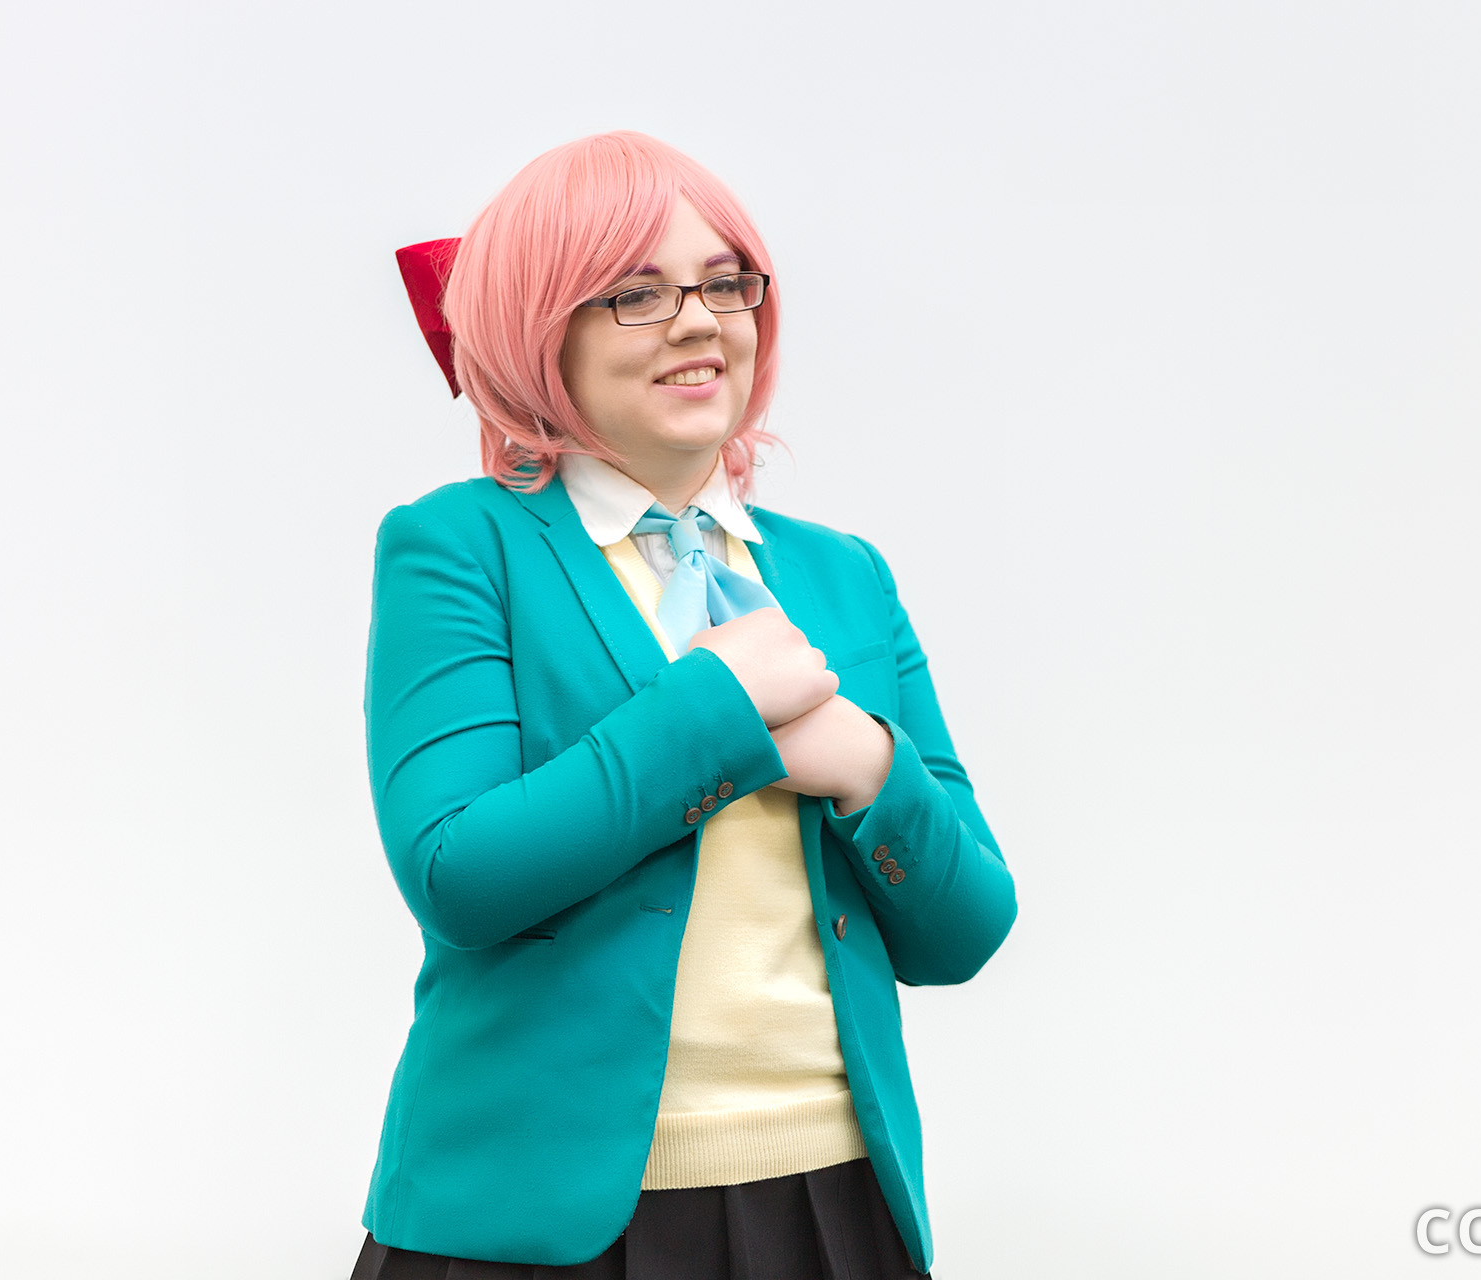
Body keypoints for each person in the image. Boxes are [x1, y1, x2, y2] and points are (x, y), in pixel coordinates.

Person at [352, 131, 1017, 1280]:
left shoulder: (844, 572)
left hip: (833, 1201)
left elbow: (966, 926)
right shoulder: (459, 546)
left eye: (724, 282)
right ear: (538, 327)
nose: (700, 321)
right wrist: (718, 710)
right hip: (533, 1218)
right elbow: (457, 872)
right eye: (636, 293)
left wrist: (864, 761)